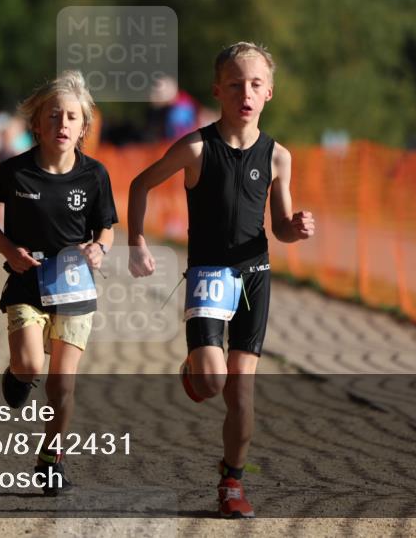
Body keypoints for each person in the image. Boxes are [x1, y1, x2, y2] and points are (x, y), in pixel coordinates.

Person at [127, 42, 315, 518]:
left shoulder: (278, 157)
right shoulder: (195, 147)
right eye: (234, 84)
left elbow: (280, 226)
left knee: (241, 390)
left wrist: (294, 228)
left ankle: (232, 481)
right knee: (212, 380)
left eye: (255, 84)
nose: (244, 93)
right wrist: (137, 242)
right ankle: (195, 369)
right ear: (217, 90)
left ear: (269, 92)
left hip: (255, 276)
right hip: (209, 273)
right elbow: (140, 184)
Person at [0, 70, 117, 496]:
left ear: (84, 127)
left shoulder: (94, 175)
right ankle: (17, 376)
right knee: (31, 365)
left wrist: (99, 249)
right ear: (36, 123)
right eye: (53, 116)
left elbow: (106, 227)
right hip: (27, 282)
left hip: (74, 286)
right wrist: (6, 249)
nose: (62, 124)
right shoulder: (16, 172)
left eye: (72, 117)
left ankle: (51, 459)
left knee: (61, 384)